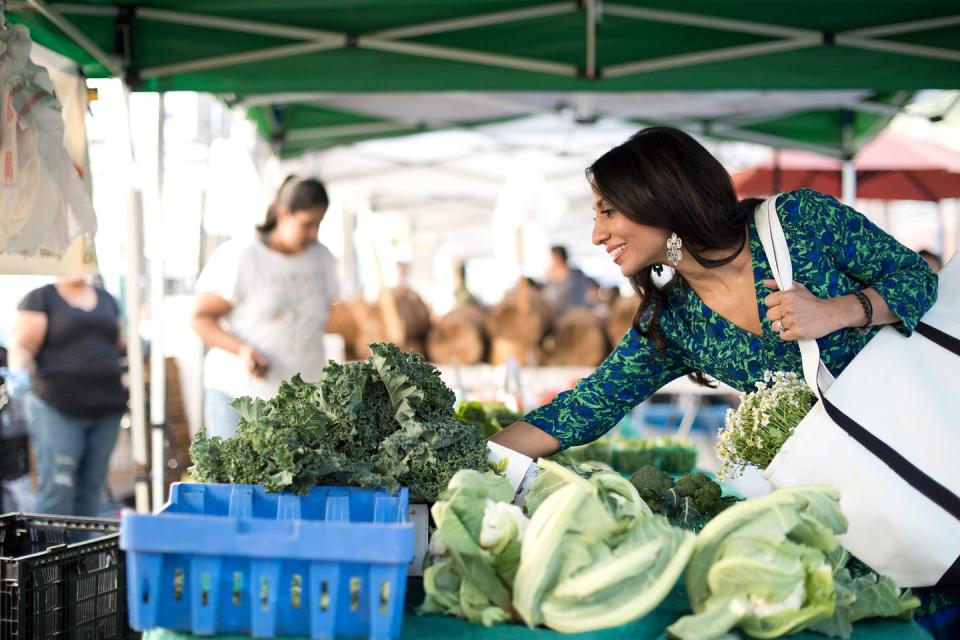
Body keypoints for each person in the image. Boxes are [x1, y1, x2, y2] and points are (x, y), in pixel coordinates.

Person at [490, 126, 949, 636]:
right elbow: (582, 409)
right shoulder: (674, 320)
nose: (597, 235)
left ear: (660, 196)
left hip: (937, 449)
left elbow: (917, 279)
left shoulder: (800, 221)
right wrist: (471, 462)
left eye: (607, 211)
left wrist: (836, 312)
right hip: (872, 528)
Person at [192, 176, 339, 438]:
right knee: (233, 478)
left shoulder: (322, 258)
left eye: (319, 224)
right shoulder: (242, 256)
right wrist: (243, 349)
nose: (313, 234)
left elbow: (328, 314)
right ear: (284, 214)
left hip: (301, 405)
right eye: (307, 224)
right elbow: (200, 318)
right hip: (238, 398)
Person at [8, 277, 127, 516]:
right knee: (58, 489)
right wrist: (19, 372)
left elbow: (118, 343)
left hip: (107, 409)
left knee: (92, 492)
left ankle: (84, 552)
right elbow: (21, 345)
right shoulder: (41, 298)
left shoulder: (106, 299)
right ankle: (48, 550)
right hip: (57, 407)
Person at [541, 245, 592, 317]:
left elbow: (580, 293)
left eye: (555, 257)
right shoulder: (549, 275)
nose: (554, 260)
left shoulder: (576, 274)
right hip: (554, 313)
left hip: (573, 313)